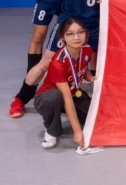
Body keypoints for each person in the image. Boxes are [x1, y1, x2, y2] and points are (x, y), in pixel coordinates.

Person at [34, 17, 95, 149]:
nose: (76, 37)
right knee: (53, 98)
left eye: (80, 32)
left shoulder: (87, 50)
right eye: (70, 34)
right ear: (63, 37)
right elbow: (66, 97)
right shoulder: (58, 62)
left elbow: (83, 67)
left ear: (86, 33)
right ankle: (51, 131)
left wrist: (90, 77)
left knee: (97, 118)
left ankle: (70, 112)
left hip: (74, 94)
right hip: (49, 97)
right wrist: (77, 131)